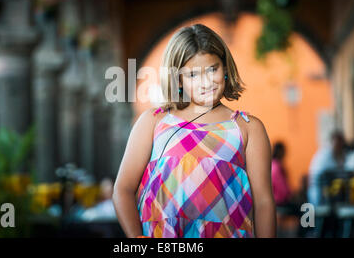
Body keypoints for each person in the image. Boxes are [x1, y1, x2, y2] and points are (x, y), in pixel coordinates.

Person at [113, 24, 276, 238]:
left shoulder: (247, 128)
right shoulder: (154, 122)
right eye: (192, 75)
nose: (206, 82)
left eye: (212, 69)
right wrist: (137, 238)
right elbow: (123, 189)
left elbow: (263, 201)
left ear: (225, 68)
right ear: (178, 78)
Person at [307, 131, 348, 206]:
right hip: (318, 193)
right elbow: (338, 172)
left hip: (320, 191)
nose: (340, 146)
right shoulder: (325, 155)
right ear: (332, 142)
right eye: (338, 144)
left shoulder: (329, 153)